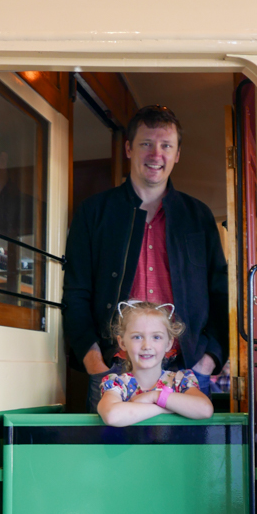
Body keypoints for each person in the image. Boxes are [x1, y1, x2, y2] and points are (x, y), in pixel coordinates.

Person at [62, 104, 228, 412]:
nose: (156, 154)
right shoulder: (93, 213)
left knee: (185, 461)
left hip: (185, 373)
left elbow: (220, 294)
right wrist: (96, 365)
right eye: (146, 144)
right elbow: (76, 295)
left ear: (177, 154)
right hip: (114, 371)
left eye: (166, 145)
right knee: (111, 459)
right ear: (128, 148)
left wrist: (206, 364)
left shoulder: (199, 216)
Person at [97, 301, 213, 427]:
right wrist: (163, 408)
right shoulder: (118, 385)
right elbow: (112, 416)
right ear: (123, 343)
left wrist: (155, 397)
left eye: (156, 337)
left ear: (169, 343)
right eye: (137, 337)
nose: (146, 346)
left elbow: (205, 409)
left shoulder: (180, 381)